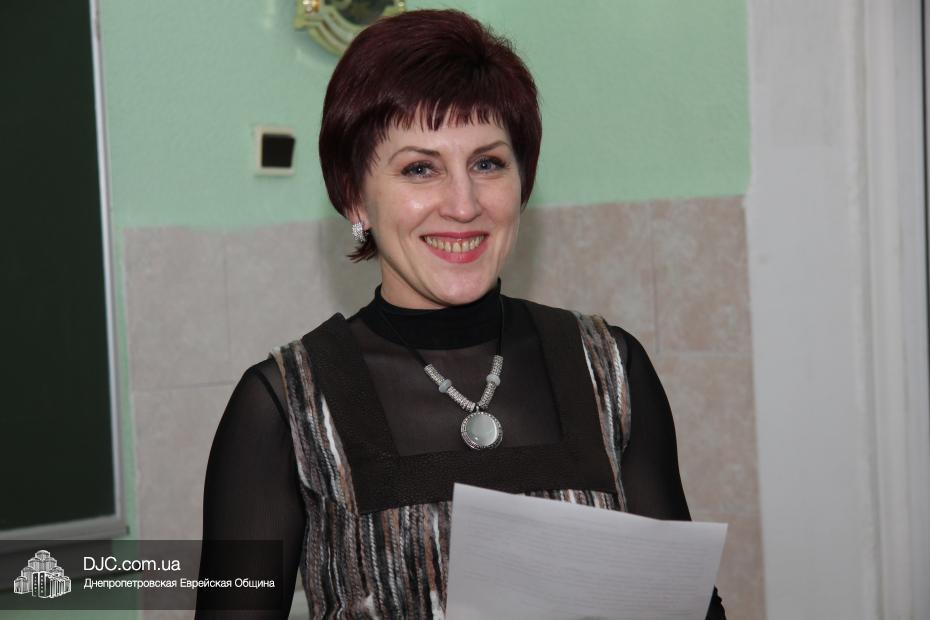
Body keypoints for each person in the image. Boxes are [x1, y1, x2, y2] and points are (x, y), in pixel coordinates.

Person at [196, 9, 725, 619]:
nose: (463, 204)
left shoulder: (610, 369)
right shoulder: (285, 406)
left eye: (487, 163)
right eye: (420, 168)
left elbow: (686, 608)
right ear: (353, 195)